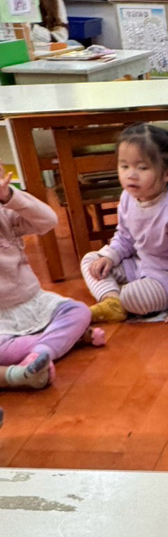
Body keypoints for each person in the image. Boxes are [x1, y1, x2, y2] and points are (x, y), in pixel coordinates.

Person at [80, 124, 168, 329]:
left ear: (167, 174)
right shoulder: (128, 197)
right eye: (124, 166)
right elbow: (125, 237)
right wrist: (110, 257)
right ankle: (112, 301)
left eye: (142, 168)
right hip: (140, 264)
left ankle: (122, 298)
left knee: (132, 296)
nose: (131, 174)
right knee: (91, 261)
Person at [0, 164, 103, 391]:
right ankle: (64, 341)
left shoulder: (6, 214)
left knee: (79, 311)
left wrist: (9, 197)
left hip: (32, 303)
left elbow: (48, 220)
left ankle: (43, 351)